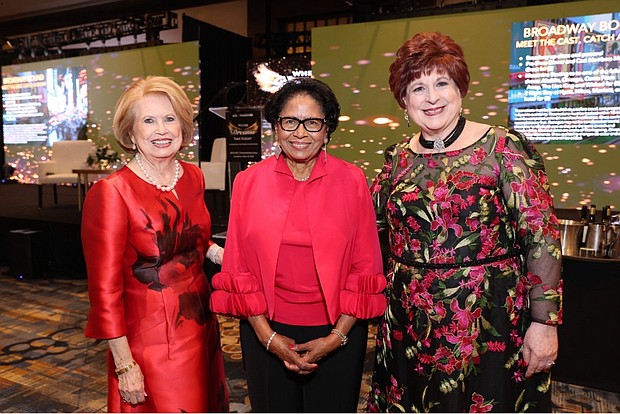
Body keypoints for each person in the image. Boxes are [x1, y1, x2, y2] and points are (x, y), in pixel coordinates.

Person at [367, 32, 563, 412]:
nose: (432, 97)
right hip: (409, 319)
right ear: (404, 101)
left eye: (442, 83)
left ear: (460, 88)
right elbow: (374, 229)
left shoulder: (502, 147)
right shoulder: (395, 159)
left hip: (487, 318)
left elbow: (541, 237)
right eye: (417, 87)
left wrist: (545, 323)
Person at [210, 78, 387, 412]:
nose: (300, 133)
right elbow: (238, 269)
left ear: (327, 129)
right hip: (265, 329)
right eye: (289, 121)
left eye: (312, 122)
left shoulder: (352, 180)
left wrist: (336, 338)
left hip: (339, 330)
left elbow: (365, 267)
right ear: (276, 128)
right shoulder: (248, 182)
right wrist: (268, 338)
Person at [82, 76, 228, 412]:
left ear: (182, 126)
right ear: (131, 133)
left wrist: (224, 254)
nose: (161, 129)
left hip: (202, 321)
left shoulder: (193, 175)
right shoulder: (112, 193)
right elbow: (104, 292)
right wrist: (124, 364)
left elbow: (194, 239)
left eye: (169, 118)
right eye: (148, 120)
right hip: (152, 337)